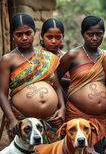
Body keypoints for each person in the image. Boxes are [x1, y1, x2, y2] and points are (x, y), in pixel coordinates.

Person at [0, 13, 65, 141]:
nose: (24, 38)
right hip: (22, 121)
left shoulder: (47, 57)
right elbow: (2, 94)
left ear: (34, 32)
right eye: (19, 34)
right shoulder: (7, 60)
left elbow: (57, 86)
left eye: (28, 33)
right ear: (12, 35)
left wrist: (62, 108)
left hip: (51, 120)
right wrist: (12, 119)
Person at [57, 15, 106, 146]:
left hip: (102, 117)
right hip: (76, 114)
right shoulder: (72, 55)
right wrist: (63, 103)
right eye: (90, 34)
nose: (95, 38)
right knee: (76, 152)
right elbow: (55, 79)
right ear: (82, 34)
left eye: (99, 34)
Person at [40, 18, 70, 92]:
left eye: (57, 37)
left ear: (62, 37)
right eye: (49, 37)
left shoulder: (67, 57)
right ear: (42, 36)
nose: (53, 41)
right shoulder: (37, 57)